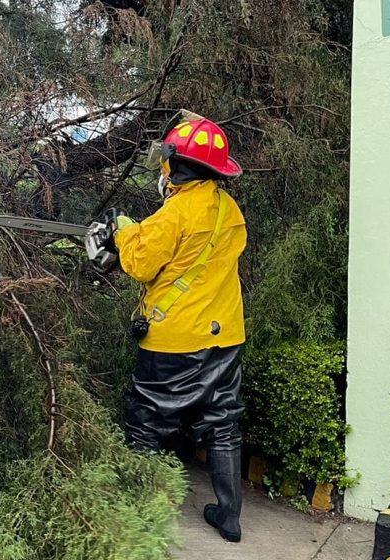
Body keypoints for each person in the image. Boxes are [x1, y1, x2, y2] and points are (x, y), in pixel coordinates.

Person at [111, 116, 248, 543]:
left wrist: (124, 232)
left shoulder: (174, 214)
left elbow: (139, 264)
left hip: (173, 340)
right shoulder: (229, 209)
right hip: (224, 335)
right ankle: (229, 517)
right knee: (223, 422)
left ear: (177, 165)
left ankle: (139, 512)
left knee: (147, 422)